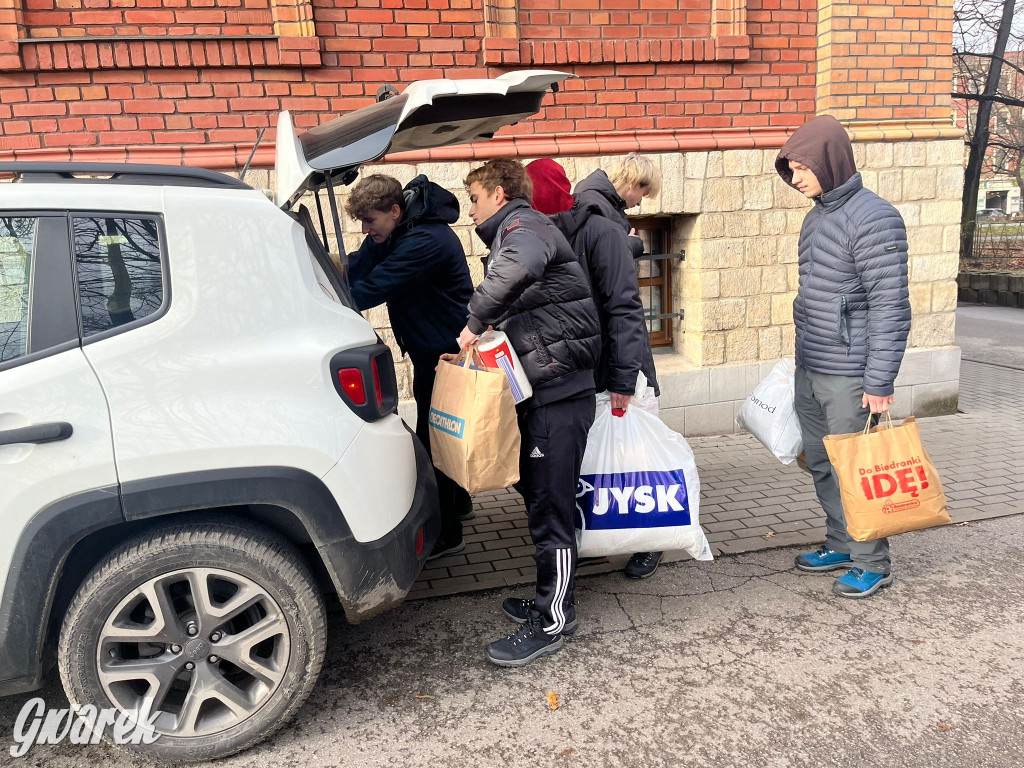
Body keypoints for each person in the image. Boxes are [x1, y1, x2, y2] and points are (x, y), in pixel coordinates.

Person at [456, 158, 600, 667]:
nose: (469, 209)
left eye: (473, 198)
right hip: (544, 391)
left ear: (498, 193)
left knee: (550, 506)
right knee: (540, 497)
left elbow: (517, 270)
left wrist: (474, 323)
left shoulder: (524, 226)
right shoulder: (514, 232)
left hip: (560, 394)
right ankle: (549, 595)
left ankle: (555, 618)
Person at [775, 114, 910, 599]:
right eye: (790, 169)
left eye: (801, 168)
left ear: (828, 162)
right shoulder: (817, 216)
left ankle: (874, 561)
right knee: (822, 463)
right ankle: (841, 542)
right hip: (812, 365)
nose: (795, 179)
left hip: (852, 374)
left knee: (857, 468)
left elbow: (891, 306)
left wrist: (879, 381)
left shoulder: (875, 218)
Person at [345, 173, 475, 560]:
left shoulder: (425, 241)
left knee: (438, 440)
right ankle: (460, 506)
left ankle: (448, 533)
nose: (367, 230)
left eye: (371, 221)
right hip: (429, 351)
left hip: (446, 356)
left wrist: (321, 303)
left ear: (396, 211)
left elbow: (371, 288)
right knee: (442, 436)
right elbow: (359, 267)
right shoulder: (395, 233)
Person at [572, 154, 667, 580]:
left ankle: (600, 534)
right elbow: (624, 308)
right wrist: (627, 377)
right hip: (619, 360)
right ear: (631, 181)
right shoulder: (603, 217)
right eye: (643, 192)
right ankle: (651, 541)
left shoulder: (587, 205)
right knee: (643, 460)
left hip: (597, 359)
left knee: (603, 459)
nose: (642, 203)